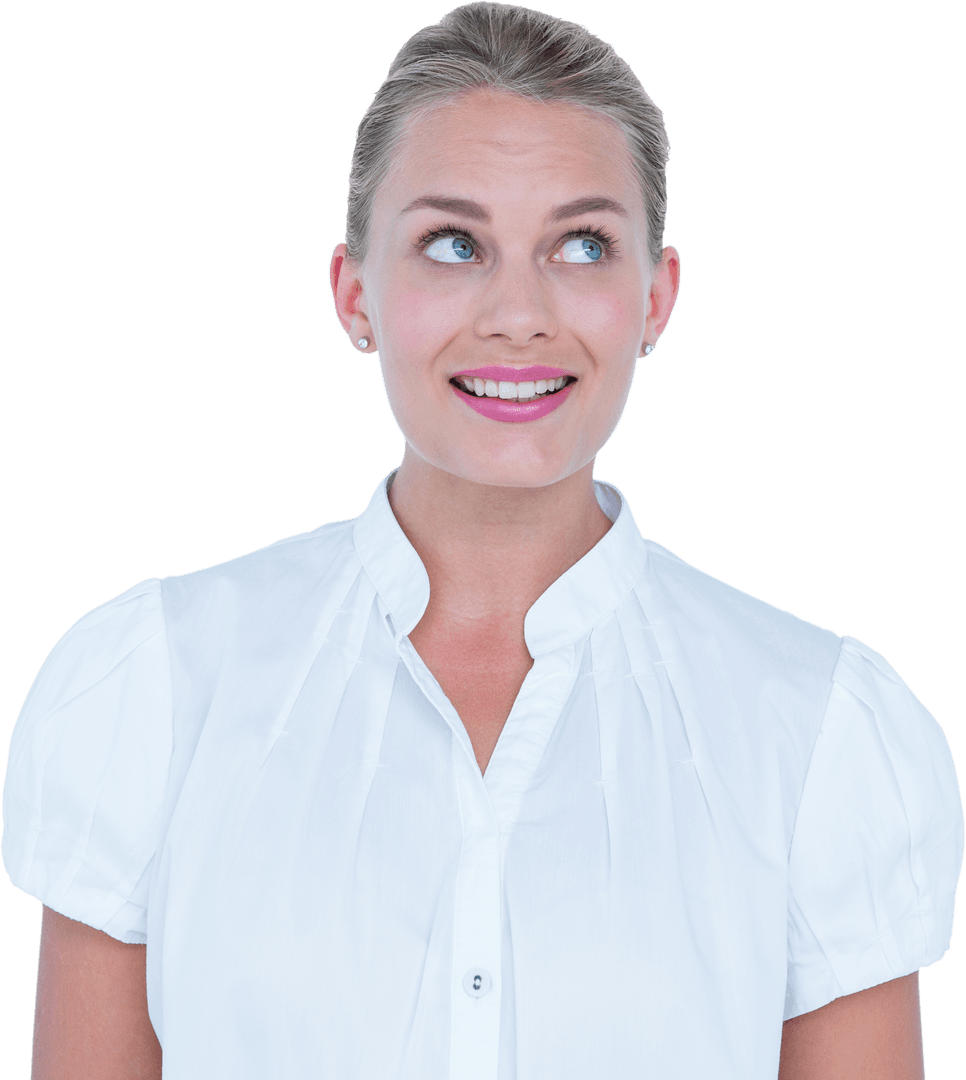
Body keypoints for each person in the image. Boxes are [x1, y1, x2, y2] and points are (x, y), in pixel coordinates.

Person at [2, 3, 962, 1077]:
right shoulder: (158, 686)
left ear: (656, 299)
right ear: (355, 293)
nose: (518, 312)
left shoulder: (819, 732)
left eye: (582, 245)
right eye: (454, 244)